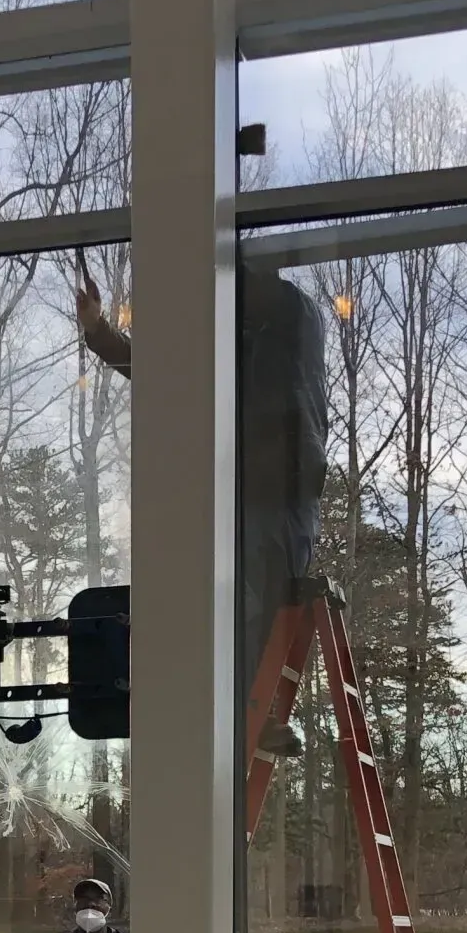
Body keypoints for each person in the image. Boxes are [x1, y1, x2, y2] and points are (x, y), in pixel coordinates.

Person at [76, 260, 326, 752]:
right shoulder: (245, 339)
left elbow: (181, 374)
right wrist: (99, 332)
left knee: (253, 591)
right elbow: (168, 376)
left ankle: (244, 714)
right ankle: (239, 713)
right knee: (236, 592)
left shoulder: (292, 316)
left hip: (280, 488)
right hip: (255, 488)